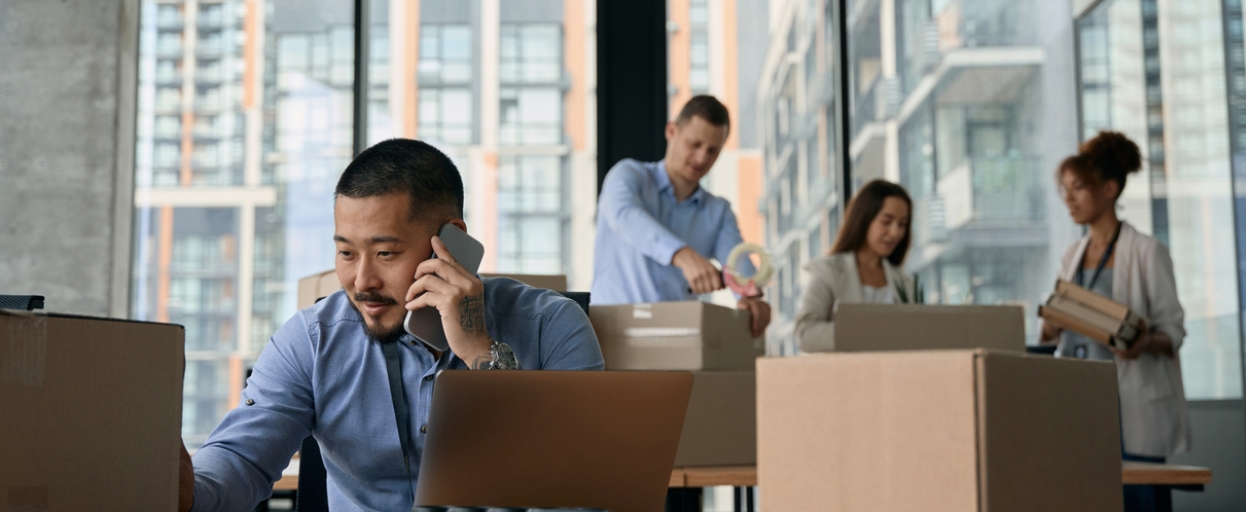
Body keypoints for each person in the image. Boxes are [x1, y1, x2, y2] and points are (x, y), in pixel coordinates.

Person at [177, 139, 604, 512]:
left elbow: (576, 487)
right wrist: (189, 492)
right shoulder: (311, 341)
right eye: (346, 253)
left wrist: (479, 352)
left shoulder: (552, 325)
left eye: (385, 254)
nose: (362, 282)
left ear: (450, 242)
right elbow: (243, 458)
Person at [1040, 131, 1189, 512]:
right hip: (1080, 403)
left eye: (1078, 188)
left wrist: (1143, 343)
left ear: (1109, 189)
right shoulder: (1072, 255)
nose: (1069, 199)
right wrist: (1049, 329)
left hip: (1129, 404)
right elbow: (1059, 324)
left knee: (1140, 502)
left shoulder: (1146, 251)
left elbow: (1173, 329)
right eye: (1065, 189)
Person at [591, 94, 771, 337]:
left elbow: (737, 262)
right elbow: (625, 216)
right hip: (609, 337)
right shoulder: (628, 176)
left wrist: (752, 297)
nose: (701, 158)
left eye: (712, 151)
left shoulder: (718, 212)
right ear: (672, 130)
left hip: (676, 343)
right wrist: (684, 256)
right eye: (694, 144)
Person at [794, 179, 919, 352]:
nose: (895, 232)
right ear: (864, 219)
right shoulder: (828, 271)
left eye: (902, 224)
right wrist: (870, 334)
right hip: (844, 375)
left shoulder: (904, 281)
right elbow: (805, 334)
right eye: (886, 221)